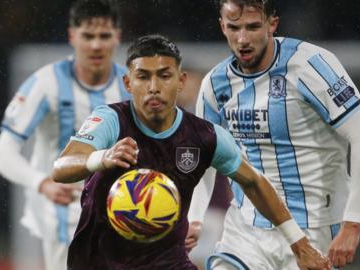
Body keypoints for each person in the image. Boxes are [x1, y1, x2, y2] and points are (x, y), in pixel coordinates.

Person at [51, 34, 330, 270]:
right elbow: (61, 167)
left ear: (181, 81)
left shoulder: (204, 136)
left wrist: (298, 242)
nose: (154, 87)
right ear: (127, 83)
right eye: (143, 77)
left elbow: (254, 182)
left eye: (164, 76)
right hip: (98, 261)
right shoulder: (110, 121)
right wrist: (101, 158)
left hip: (167, 261)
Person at [185, 0, 360, 269]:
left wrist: (353, 223)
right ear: (222, 26)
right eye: (234, 27)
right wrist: (195, 217)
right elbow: (205, 157)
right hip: (246, 228)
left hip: (315, 226)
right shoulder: (215, 84)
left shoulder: (312, 65)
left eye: (253, 26)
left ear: (272, 25)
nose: (242, 39)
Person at [0, 1, 129, 269]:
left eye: (104, 36)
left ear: (117, 37)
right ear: (72, 36)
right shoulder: (46, 83)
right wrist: (42, 182)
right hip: (62, 219)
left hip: (121, 216)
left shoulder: (131, 86)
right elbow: (2, 154)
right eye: (88, 36)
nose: (96, 45)